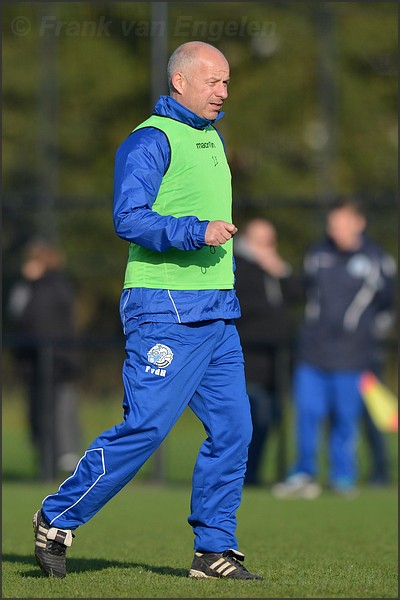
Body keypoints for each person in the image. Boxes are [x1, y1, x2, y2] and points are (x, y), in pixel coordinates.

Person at [32, 41, 262, 580]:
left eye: (227, 83)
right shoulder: (150, 139)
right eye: (213, 82)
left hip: (216, 314)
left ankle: (212, 549)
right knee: (147, 428)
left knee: (234, 431)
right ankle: (57, 516)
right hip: (165, 308)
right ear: (180, 82)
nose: (223, 92)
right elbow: (128, 217)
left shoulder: (213, 138)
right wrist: (195, 231)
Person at [272, 198, 396, 499]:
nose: (336, 229)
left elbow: (387, 305)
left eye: (342, 223)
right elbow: (305, 292)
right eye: (332, 224)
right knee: (308, 413)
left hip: (352, 356)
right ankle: (304, 473)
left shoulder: (378, 260)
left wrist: (368, 337)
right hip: (312, 352)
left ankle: (343, 477)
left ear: (359, 223)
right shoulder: (317, 254)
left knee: (345, 419)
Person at [234, 218, 303, 485]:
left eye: (269, 241)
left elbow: (297, 293)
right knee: (251, 417)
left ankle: (252, 475)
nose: (265, 247)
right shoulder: (237, 266)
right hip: (248, 357)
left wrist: (280, 270)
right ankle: (239, 475)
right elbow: (246, 307)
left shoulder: (274, 269)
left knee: (269, 418)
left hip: (276, 362)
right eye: (259, 240)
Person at [7, 239, 82, 476]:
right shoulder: (26, 287)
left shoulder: (52, 287)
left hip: (56, 364)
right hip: (34, 364)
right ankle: (46, 464)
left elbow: (39, 323)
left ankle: (63, 466)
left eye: (33, 259)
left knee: (59, 416)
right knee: (39, 417)